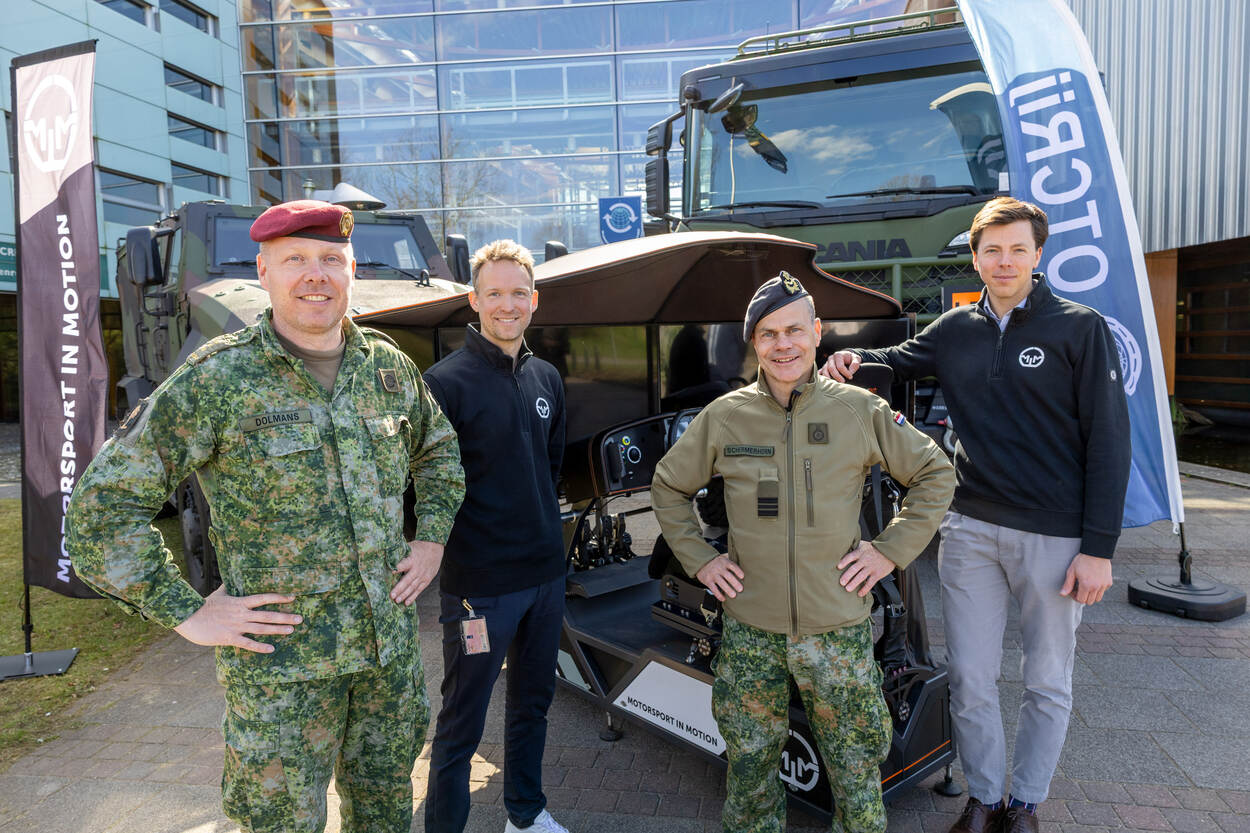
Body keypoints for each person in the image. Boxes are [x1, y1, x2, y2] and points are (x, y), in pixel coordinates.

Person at [67, 200, 465, 833]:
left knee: (388, 810)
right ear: (264, 271)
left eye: (331, 259)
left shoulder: (387, 368)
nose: (316, 275)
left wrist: (432, 541)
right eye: (295, 260)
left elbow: (439, 454)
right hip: (282, 672)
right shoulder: (217, 379)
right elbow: (100, 509)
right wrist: (187, 611)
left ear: (352, 269)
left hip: (387, 662)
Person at [822, 197, 1131, 833]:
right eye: (992, 250)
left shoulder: (1080, 328)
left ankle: (1024, 805)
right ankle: (985, 798)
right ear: (975, 257)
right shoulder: (957, 327)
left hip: (1055, 536)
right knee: (970, 676)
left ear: (1038, 255)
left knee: (1046, 679)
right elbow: (897, 360)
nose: (1005, 261)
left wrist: (1098, 548)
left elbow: (1110, 443)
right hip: (969, 530)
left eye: (1018, 249)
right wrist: (849, 361)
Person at [651, 272, 955, 833]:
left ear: (818, 333)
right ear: (754, 343)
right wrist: (701, 559)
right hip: (749, 631)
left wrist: (889, 552)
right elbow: (668, 486)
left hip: (837, 629)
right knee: (748, 770)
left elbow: (935, 472)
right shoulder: (726, 415)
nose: (783, 344)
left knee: (857, 777)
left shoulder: (858, 410)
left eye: (794, 330)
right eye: (769, 334)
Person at [422, 240, 569, 833]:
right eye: (494, 294)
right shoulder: (442, 384)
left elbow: (550, 467)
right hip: (479, 590)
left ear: (533, 301)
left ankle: (525, 816)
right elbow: (425, 488)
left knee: (533, 705)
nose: (506, 305)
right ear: (473, 300)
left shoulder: (547, 377)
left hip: (544, 579)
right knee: (463, 719)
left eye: (517, 294)